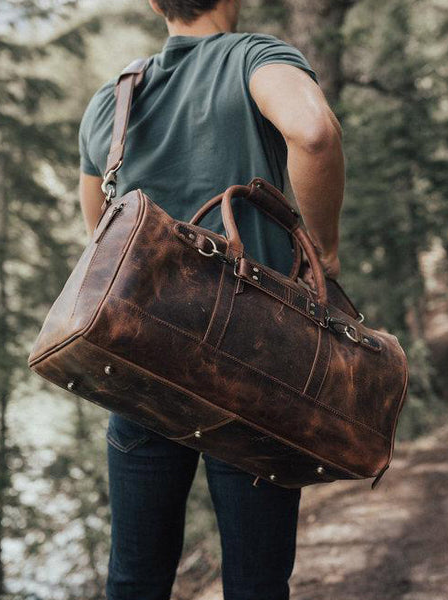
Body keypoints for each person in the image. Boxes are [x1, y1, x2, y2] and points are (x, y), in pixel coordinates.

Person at [77, 1, 345, 598]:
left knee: (135, 577)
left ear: (154, 3)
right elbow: (314, 133)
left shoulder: (111, 100)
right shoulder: (254, 57)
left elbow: (99, 239)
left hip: (142, 362)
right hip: (252, 364)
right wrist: (324, 250)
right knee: (256, 581)